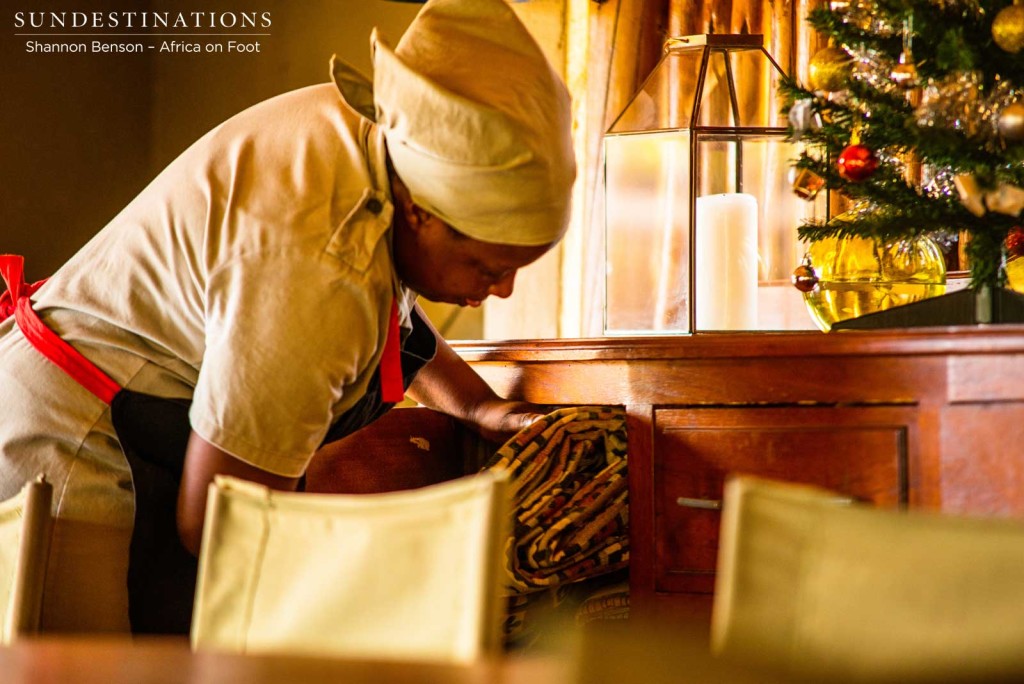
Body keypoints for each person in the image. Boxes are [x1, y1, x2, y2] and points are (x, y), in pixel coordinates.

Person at [0, 0, 575, 634]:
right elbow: (223, 520)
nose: (501, 290)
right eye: (489, 268)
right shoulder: (317, 269)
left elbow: (391, 306)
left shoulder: (379, 149)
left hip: (142, 423)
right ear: (423, 214)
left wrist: (478, 406)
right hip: (75, 442)